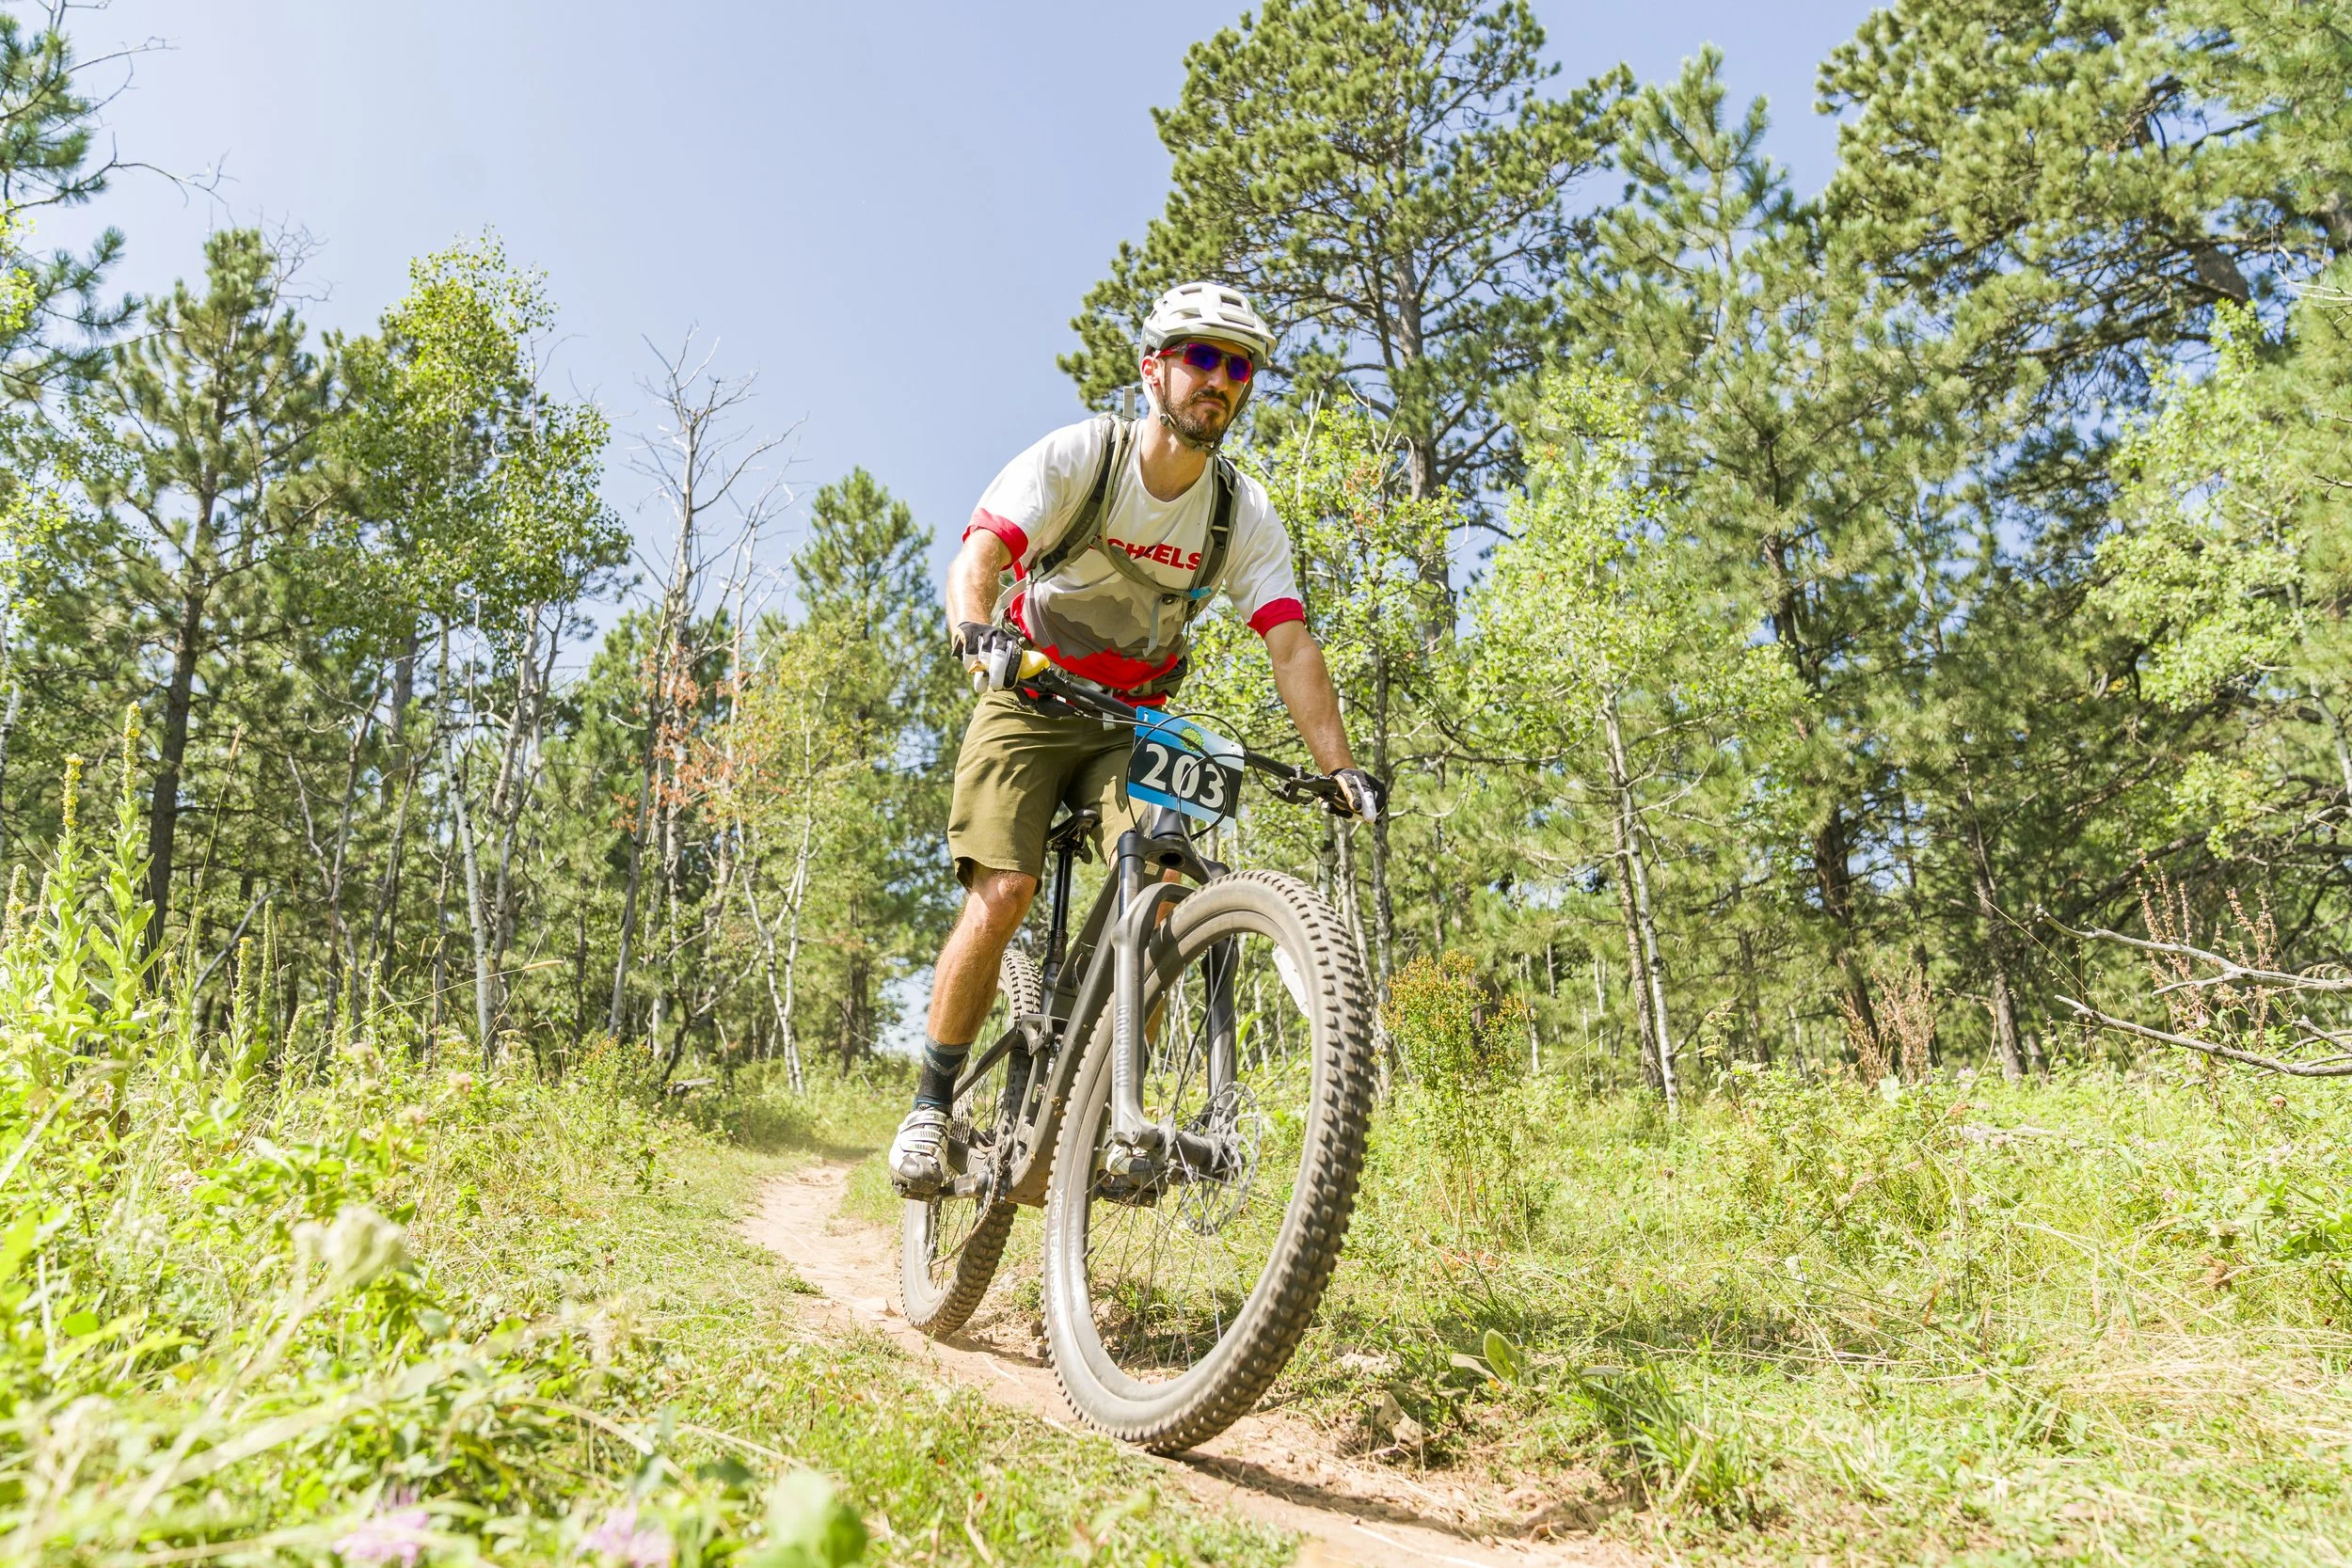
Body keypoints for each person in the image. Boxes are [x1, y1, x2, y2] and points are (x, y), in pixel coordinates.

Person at [889, 280, 1383, 1196]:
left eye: (1238, 367)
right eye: (1202, 357)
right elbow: (982, 554)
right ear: (1154, 367)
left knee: (1158, 896)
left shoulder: (1239, 512)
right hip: (1029, 694)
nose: (1220, 381)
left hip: (1135, 720)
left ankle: (1114, 1118)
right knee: (1003, 891)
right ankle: (930, 1104)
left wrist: (1340, 768)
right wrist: (977, 631)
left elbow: (1289, 642)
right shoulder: (1085, 456)